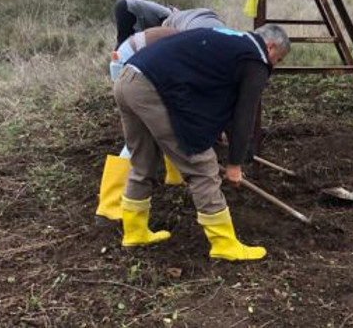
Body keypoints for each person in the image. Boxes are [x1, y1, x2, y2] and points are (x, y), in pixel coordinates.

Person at [113, 24, 290, 262]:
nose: (274, 66)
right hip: (152, 88)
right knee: (201, 165)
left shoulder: (232, 40)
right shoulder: (256, 59)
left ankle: (135, 232)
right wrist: (235, 165)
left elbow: (222, 99)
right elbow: (244, 114)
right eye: (278, 59)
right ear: (270, 47)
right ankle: (224, 244)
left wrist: (234, 145)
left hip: (128, 78)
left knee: (143, 161)